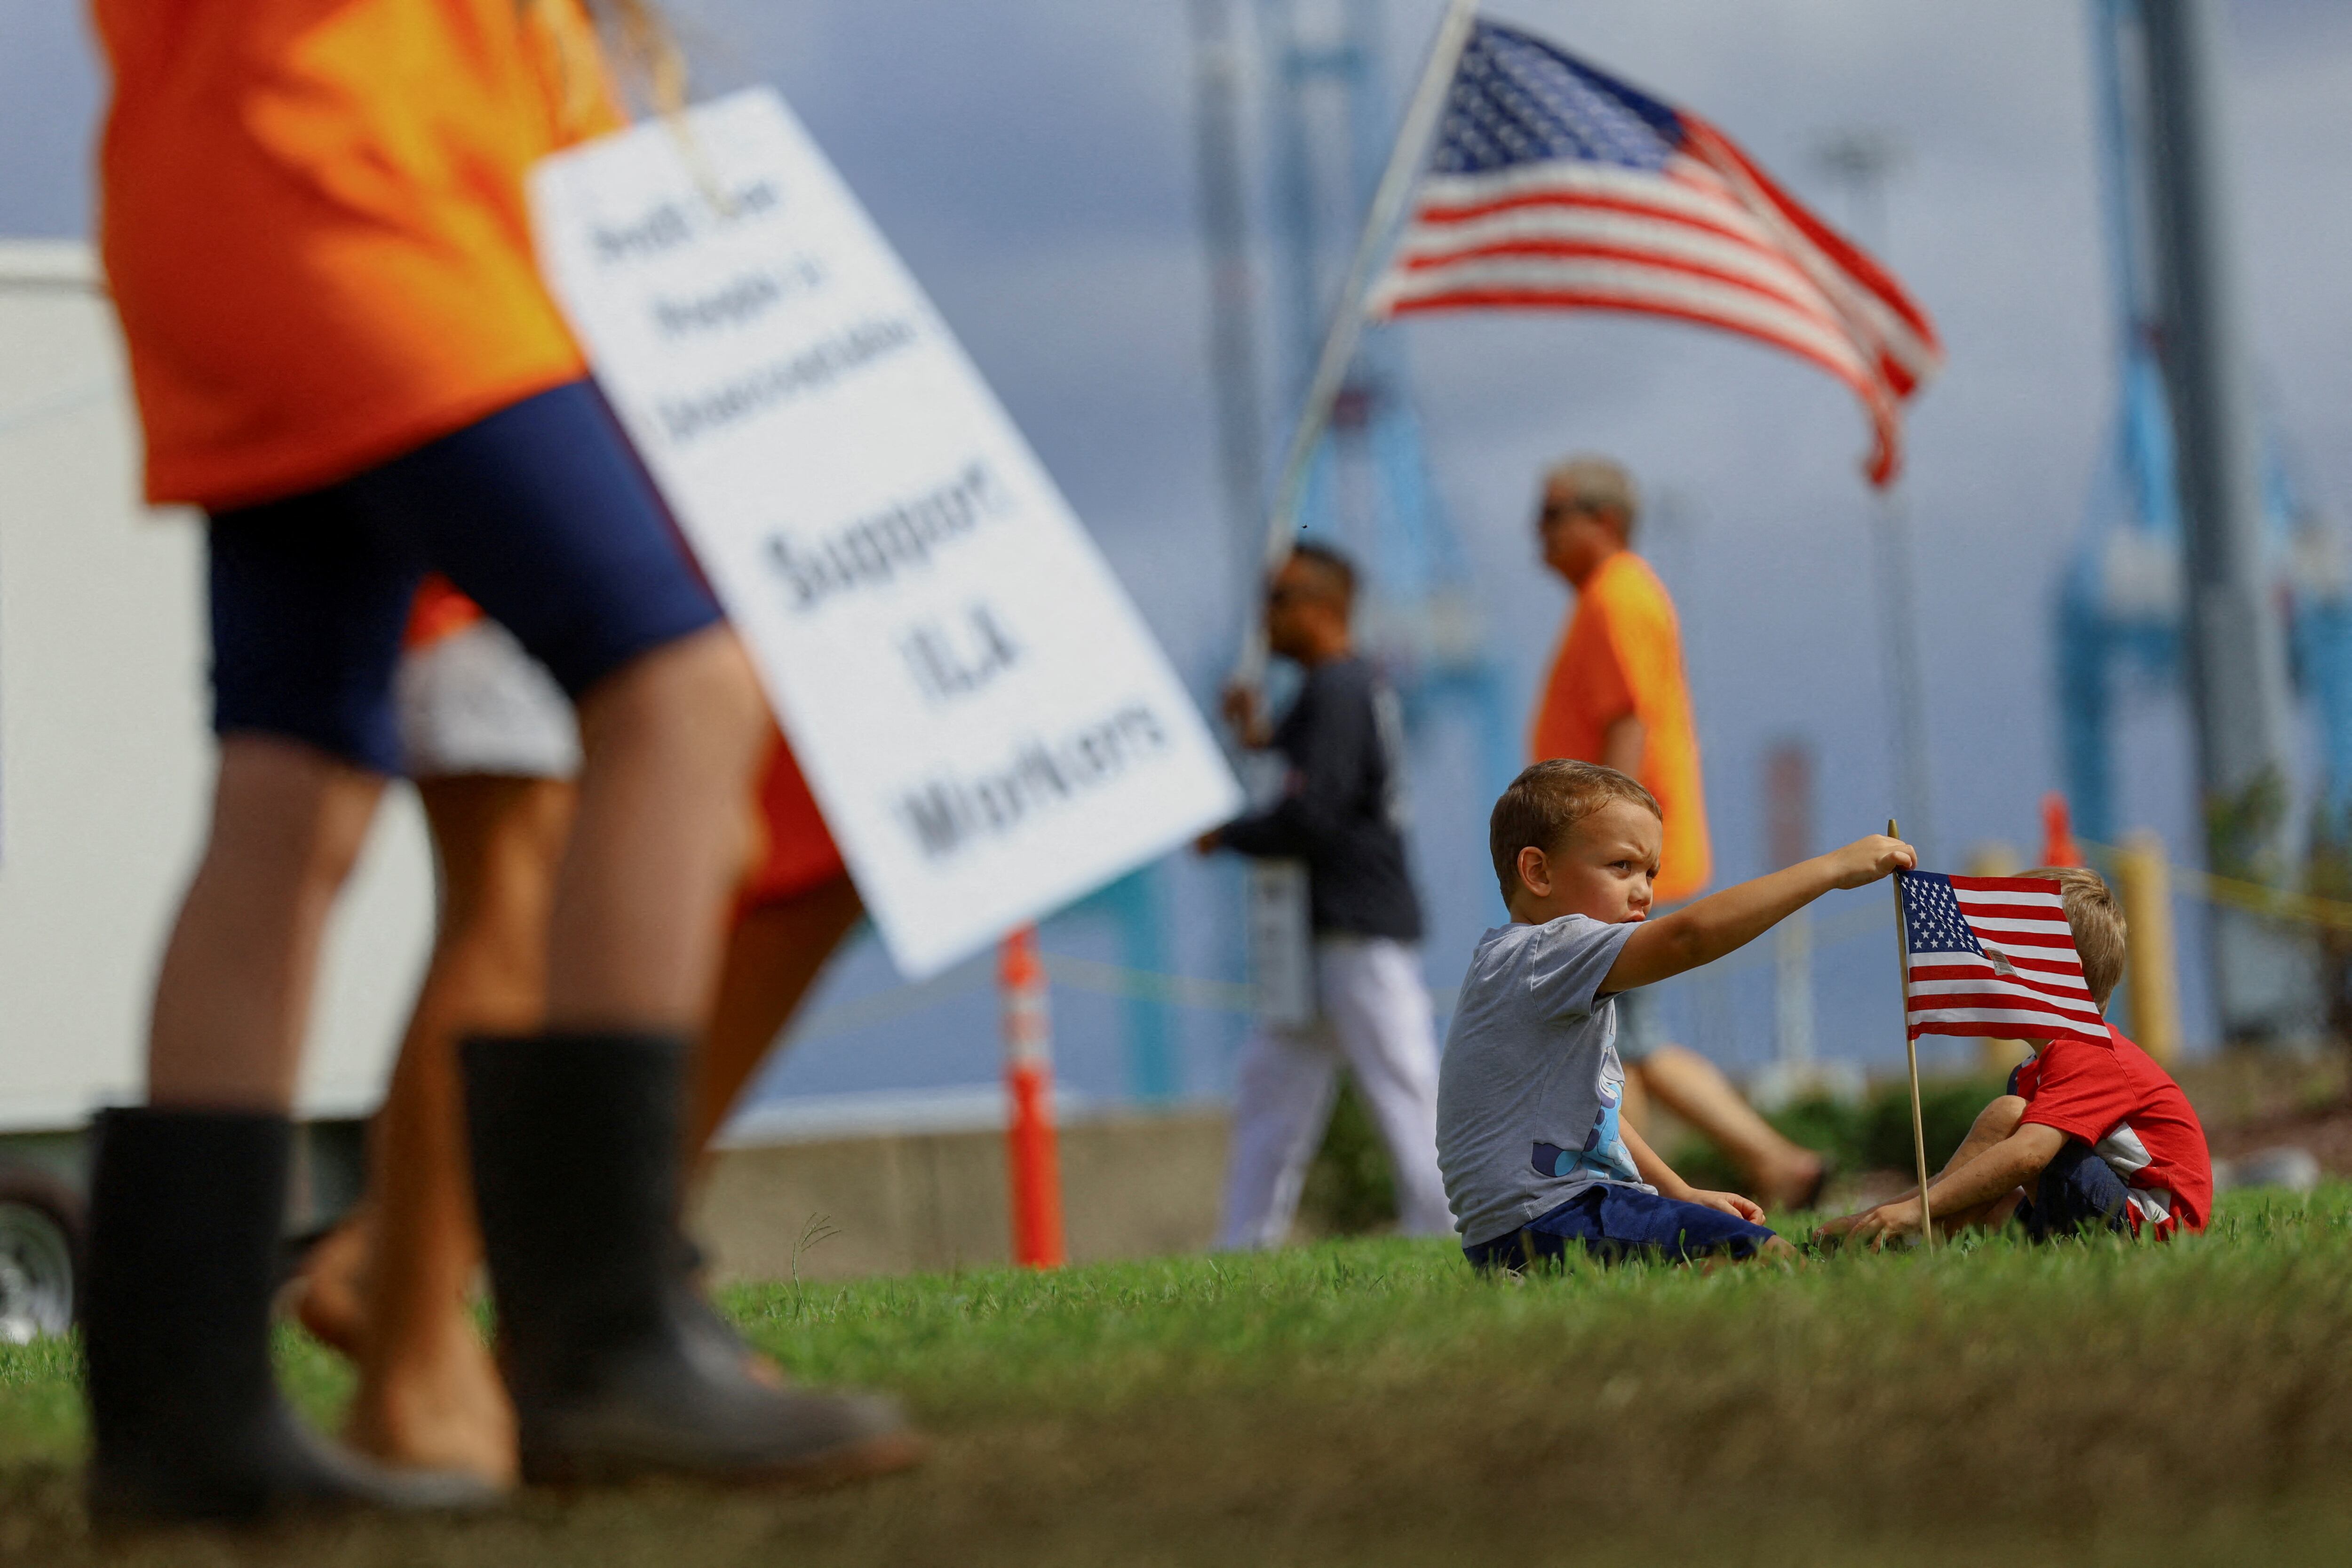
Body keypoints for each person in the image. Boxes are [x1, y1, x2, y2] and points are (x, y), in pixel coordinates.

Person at [80, 0, 914, 1525]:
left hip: (229, 201)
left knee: (289, 792)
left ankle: (185, 1416)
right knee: (681, 687)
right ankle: (601, 1337)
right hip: (373, 192)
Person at [290, 581, 866, 1485]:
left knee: (810, 819)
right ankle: (416, 1312)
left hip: (696, 483)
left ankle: (613, 1281)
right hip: (508, 475)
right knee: (529, 853)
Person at [1441, 760, 1914, 1269]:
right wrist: (1831, 869)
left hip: (1529, 1227)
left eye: (1650, 873)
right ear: (1537, 872)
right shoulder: (1547, 951)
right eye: (1620, 867)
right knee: (1764, 1257)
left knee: (1736, 1246)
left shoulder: (1529, 968)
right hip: (1553, 1219)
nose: (1643, 891)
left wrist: (1678, 1192)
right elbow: (1687, 938)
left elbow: (1595, 1119)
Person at [1529, 455, 1827, 1211]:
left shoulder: (1617, 595)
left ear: (1605, 521)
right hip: (1620, 856)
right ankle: (1753, 1166)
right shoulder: (1616, 593)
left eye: (1554, 512)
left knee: (1627, 1040)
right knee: (1625, 1040)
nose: (1539, 530)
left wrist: (1600, 848)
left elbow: (1627, 716)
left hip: (1610, 863)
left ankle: (1756, 1166)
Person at [1199, 543, 1453, 1248]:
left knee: (1403, 1086)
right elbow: (1302, 771)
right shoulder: (1336, 690)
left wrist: (1229, 837)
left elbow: (1317, 813)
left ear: (1320, 607)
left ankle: (1450, 1223)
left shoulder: (1338, 690)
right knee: (1272, 1089)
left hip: (1358, 930)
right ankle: (1245, 1240)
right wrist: (1256, 734)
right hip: (1325, 935)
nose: (1264, 619)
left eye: (1277, 601)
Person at [1820, 868, 2213, 1247]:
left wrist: (1914, 1209)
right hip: (2093, 1204)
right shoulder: (2033, 1070)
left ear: (2062, 972)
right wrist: (1887, 1210)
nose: (1987, 964)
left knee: (2010, 1119)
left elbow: (2029, 1155)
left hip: (2152, 1228)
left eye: (2004, 952)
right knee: (1997, 1154)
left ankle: (1918, 1228)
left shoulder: (2089, 1052)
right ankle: (1901, 1232)